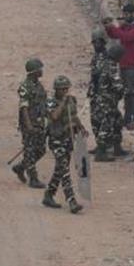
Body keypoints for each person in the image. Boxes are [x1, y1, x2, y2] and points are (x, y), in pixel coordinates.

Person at [42, 76, 86, 214]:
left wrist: (81, 127)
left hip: (68, 138)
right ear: (56, 90)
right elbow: (54, 117)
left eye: (67, 88)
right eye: (62, 89)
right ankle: (71, 201)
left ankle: (49, 194)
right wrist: (63, 103)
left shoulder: (72, 100)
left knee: (61, 169)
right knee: (65, 171)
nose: (65, 91)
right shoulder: (50, 102)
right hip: (56, 139)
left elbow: (74, 115)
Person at [103, 3, 134, 128]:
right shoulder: (128, 26)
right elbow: (115, 35)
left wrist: (115, 27)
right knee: (127, 93)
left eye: (127, 14)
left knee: (132, 92)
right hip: (124, 63)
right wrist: (108, 27)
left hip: (133, 64)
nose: (125, 17)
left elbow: (126, 37)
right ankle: (128, 118)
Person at [12, 58, 48, 188]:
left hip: (40, 123)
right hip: (30, 124)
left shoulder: (38, 85)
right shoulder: (25, 87)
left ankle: (21, 167)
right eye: (40, 69)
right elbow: (24, 107)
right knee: (30, 150)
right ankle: (33, 178)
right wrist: (28, 126)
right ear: (34, 71)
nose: (42, 71)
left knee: (41, 150)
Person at [90, 41, 127, 162]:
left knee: (118, 121)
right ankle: (101, 152)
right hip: (108, 101)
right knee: (106, 126)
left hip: (101, 99)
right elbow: (118, 86)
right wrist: (129, 92)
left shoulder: (103, 64)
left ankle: (117, 147)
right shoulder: (112, 67)